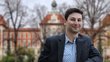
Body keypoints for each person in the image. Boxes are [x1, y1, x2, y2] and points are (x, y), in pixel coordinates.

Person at [38, 8, 103, 62]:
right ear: (65, 22)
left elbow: (98, 57)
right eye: (73, 19)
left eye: (79, 20)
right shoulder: (51, 42)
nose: (76, 23)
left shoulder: (86, 41)